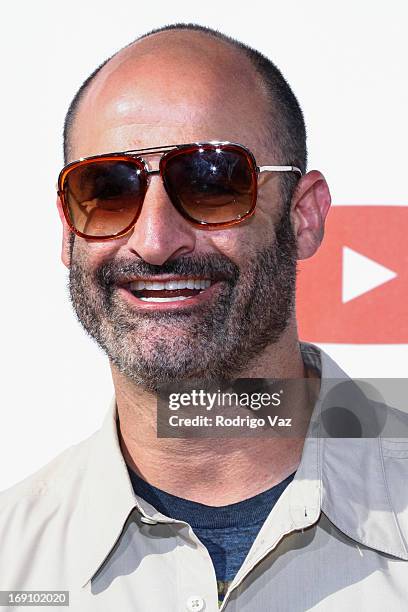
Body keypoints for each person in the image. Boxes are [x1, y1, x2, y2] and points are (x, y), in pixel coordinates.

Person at [1, 23, 407, 612]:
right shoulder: (14, 562)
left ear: (305, 216)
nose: (154, 241)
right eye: (107, 190)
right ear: (68, 231)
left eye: (212, 182)